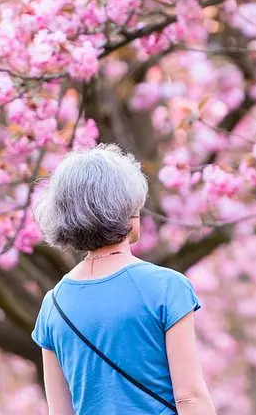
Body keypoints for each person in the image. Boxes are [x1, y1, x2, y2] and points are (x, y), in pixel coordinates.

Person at [31, 144, 216, 415]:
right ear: (129, 210)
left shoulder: (53, 305)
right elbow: (189, 398)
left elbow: (59, 411)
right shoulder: (166, 288)